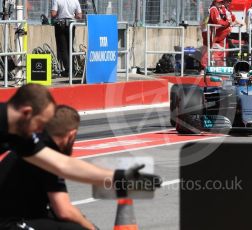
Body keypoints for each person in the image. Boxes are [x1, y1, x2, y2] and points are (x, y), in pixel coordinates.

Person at [0, 84, 161, 196]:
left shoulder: (20, 134)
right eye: (41, 124)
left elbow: (63, 164)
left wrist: (120, 177)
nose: (41, 131)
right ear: (27, 113)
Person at [0, 105, 97, 230]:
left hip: (21, 215)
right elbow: (64, 211)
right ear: (71, 135)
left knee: (76, 221)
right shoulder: (51, 155)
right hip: (10, 223)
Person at [51, 0, 82, 77]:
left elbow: (53, 14)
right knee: (70, 47)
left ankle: (68, 70)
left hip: (60, 25)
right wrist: (72, 16)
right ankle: (72, 69)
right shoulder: (75, 1)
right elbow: (79, 16)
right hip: (71, 25)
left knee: (63, 49)